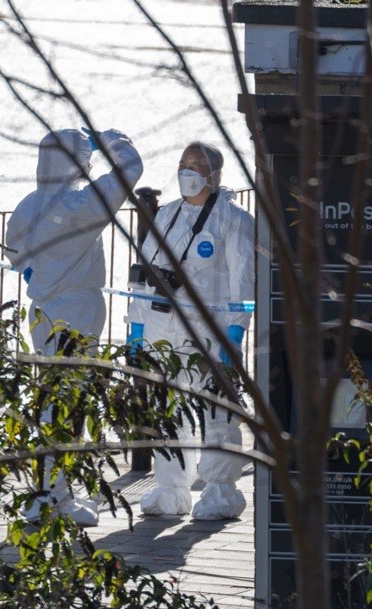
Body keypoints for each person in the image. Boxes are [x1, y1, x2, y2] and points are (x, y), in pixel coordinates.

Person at [4, 127, 143, 527]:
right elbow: (131, 169)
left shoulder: (30, 204)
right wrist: (111, 139)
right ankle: (56, 496)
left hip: (42, 309)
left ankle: (49, 490)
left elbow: (13, 251)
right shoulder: (83, 204)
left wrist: (34, 272)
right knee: (69, 403)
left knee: (49, 397)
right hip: (78, 310)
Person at [125, 141, 253, 520]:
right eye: (183, 163)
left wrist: (234, 335)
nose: (187, 171)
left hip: (210, 333)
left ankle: (220, 491)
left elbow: (244, 284)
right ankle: (171, 489)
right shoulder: (166, 216)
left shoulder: (234, 221)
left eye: (196, 164)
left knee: (216, 410)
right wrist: (136, 329)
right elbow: (144, 276)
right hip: (163, 330)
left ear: (214, 172)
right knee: (169, 410)